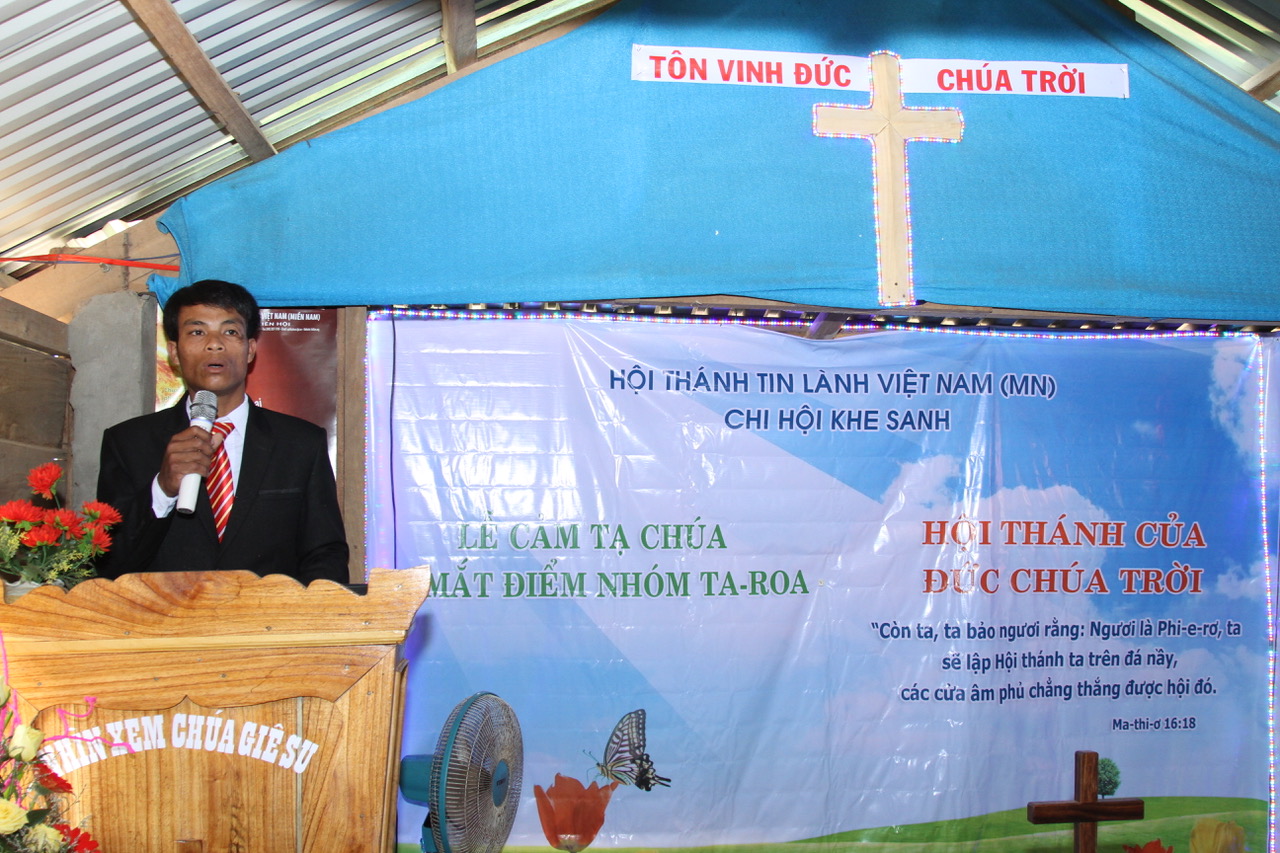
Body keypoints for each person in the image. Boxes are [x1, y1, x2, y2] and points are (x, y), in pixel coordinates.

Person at [96, 279, 349, 583]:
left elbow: (324, 554)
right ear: (174, 352)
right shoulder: (128, 443)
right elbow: (109, 563)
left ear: (250, 349)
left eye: (230, 332)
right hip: (167, 612)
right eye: (197, 332)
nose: (214, 344)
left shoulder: (300, 443)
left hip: (267, 612)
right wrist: (163, 489)